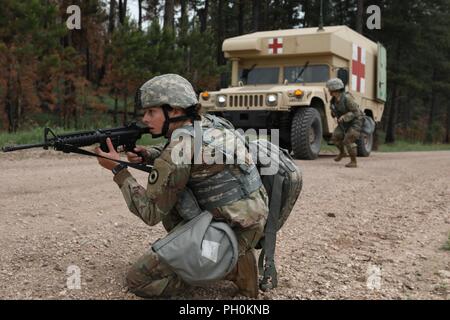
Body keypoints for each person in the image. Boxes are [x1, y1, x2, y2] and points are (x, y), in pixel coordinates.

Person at [94, 74, 269, 298]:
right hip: (251, 220)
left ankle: (225, 266)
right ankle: (232, 257)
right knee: (177, 199)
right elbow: (196, 154)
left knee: (138, 280)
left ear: (175, 111)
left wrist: (118, 170)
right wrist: (149, 154)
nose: (145, 119)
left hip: (228, 229)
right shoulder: (214, 124)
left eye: (151, 112)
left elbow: (149, 212)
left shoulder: (181, 147)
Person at [326, 78, 364, 168]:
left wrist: (344, 116)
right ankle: (342, 153)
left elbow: (356, 112)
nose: (328, 91)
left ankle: (353, 161)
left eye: (329, 89)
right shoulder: (333, 101)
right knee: (335, 138)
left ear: (334, 89)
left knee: (348, 140)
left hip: (355, 122)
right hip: (344, 123)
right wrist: (333, 113)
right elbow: (334, 112)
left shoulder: (347, 98)